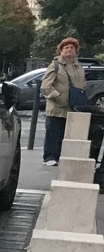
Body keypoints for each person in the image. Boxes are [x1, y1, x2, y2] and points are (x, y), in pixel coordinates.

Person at [40, 36, 87, 166]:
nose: (69, 50)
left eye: (72, 48)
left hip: (73, 107)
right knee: (53, 133)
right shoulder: (55, 65)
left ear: (76, 51)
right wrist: (58, 97)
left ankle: (62, 156)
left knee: (67, 135)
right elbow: (46, 86)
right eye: (66, 48)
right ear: (60, 50)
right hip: (56, 107)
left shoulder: (79, 67)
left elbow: (82, 85)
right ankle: (49, 157)